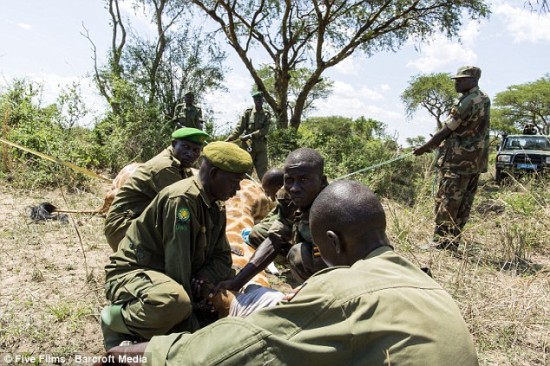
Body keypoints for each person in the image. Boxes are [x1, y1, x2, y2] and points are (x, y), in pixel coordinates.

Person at [98, 180, 479, 366]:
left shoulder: (340, 289)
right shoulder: (428, 284)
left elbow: (234, 349)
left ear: (333, 241)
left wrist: (134, 355)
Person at [100, 141, 253, 350]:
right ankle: (115, 320)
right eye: (234, 182)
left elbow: (222, 257)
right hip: (137, 271)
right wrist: (192, 324)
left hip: (177, 272)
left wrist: (205, 278)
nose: (236, 191)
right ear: (215, 173)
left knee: (229, 277)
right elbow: (177, 264)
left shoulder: (216, 202)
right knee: (175, 303)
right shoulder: (182, 199)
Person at [219, 148, 328, 290]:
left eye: (303, 179)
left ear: (322, 181)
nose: (294, 188)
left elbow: (337, 257)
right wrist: (237, 282)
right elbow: (275, 238)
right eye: (289, 180)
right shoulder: (288, 197)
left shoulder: (332, 205)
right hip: (310, 248)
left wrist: (311, 290)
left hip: (343, 264)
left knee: (299, 254)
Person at [414, 66, 490, 251]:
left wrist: (425, 147)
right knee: (464, 203)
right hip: (475, 162)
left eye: (461, 79)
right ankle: (452, 242)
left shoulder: (468, 101)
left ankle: (440, 242)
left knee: (448, 200)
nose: (457, 83)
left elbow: (448, 129)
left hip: (458, 161)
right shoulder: (484, 98)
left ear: (473, 80)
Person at [104, 128, 209, 251]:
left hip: (139, 221)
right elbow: (185, 204)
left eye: (196, 150)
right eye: (186, 147)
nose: (190, 154)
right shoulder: (165, 168)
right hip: (123, 228)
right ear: (174, 144)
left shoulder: (181, 165)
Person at [225, 91, 271, 179]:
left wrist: (251, 135)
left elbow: (265, 130)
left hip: (261, 147)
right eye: (256, 99)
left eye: (260, 99)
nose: (258, 101)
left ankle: (267, 191)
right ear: (254, 100)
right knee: (246, 171)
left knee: (263, 172)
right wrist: (231, 138)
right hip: (247, 146)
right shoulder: (247, 113)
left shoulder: (267, 114)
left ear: (263, 100)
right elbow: (239, 128)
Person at [246, 167, 284, 248]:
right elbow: (273, 214)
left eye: (268, 192)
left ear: (278, 188)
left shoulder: (291, 199)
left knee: (256, 233)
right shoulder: (282, 197)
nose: (267, 196)